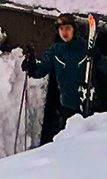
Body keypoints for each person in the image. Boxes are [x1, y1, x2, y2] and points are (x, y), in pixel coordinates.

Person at [23, 14, 97, 144]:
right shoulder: (55, 51)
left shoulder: (84, 48)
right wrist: (31, 66)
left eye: (68, 28)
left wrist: (96, 57)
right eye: (61, 29)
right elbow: (40, 70)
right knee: (66, 143)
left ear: (74, 29)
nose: (65, 32)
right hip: (66, 107)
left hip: (86, 105)